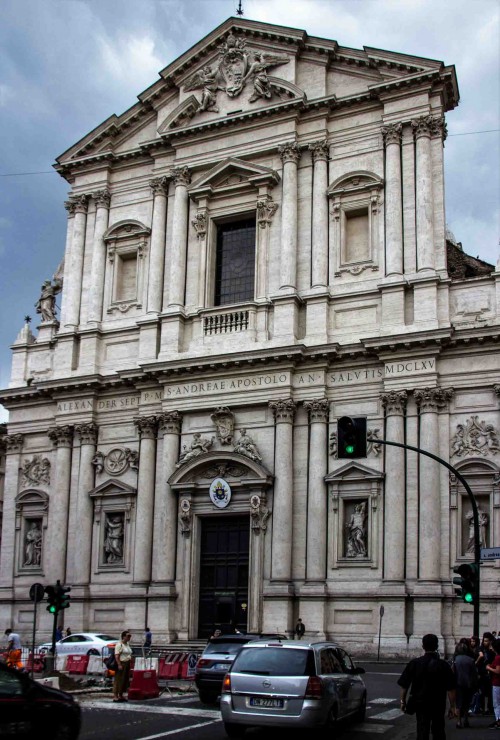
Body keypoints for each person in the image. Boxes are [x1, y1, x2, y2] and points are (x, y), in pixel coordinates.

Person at [398, 633, 457, 740]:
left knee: (422, 730)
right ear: (437, 646)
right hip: (438, 703)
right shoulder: (444, 665)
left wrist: (403, 701)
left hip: (421, 702)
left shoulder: (415, 663)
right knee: (439, 730)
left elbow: (404, 685)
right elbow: (451, 688)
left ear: (423, 646)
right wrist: (453, 706)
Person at [452, 641, 478, 728]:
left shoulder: (455, 660)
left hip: (458, 684)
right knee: (467, 702)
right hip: (468, 684)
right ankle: (466, 719)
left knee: (458, 703)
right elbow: (474, 674)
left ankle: (459, 721)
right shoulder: (470, 660)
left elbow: (453, 673)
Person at [476, 631, 496, 715]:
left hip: (491, 673)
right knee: (482, 691)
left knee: (491, 692)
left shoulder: (493, 649)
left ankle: (490, 708)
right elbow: (480, 657)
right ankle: (481, 708)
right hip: (482, 672)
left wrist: (493, 650)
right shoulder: (481, 648)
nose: (485, 642)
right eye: (484, 640)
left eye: (487, 641)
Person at [113, 631, 132, 702]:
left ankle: (121, 695)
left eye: (130, 636)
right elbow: (117, 655)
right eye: (128, 636)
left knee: (125, 680)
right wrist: (119, 664)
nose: (129, 638)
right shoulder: (119, 645)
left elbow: (129, 653)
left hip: (127, 663)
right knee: (118, 679)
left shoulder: (127, 644)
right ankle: (115, 696)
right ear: (123, 636)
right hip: (122, 663)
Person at [486, 637, 500, 728]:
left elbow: (498, 671)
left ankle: (498, 720)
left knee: (497, 704)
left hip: (497, 683)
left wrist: (489, 668)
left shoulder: (498, 658)